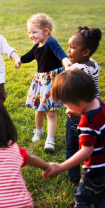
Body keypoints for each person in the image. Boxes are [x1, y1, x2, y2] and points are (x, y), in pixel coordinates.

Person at [43, 69, 105, 208]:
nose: (65, 107)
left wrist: (61, 167)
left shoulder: (86, 122)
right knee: (102, 202)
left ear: (79, 102)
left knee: (82, 201)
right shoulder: (100, 104)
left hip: (95, 172)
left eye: (66, 103)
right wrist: (79, 112)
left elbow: (86, 150)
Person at [14, 13, 71, 152]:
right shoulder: (37, 46)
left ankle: (50, 141)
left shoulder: (50, 42)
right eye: (29, 32)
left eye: (34, 32)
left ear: (46, 31)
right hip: (40, 81)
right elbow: (29, 55)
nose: (31, 35)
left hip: (52, 81)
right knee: (38, 110)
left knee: (51, 112)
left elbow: (60, 53)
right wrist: (19, 60)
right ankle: (38, 130)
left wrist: (66, 62)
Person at [64, 26, 102, 185]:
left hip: (76, 114)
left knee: (72, 148)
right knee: (90, 146)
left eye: (72, 48)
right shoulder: (92, 64)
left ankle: (74, 178)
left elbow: (67, 74)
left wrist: (66, 63)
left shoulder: (77, 68)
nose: (68, 50)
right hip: (94, 112)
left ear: (85, 52)